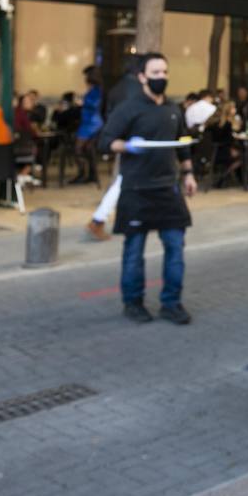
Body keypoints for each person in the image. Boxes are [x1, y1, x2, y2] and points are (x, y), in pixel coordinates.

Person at [97, 52, 197, 326]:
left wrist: (188, 173)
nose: (161, 78)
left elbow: (182, 144)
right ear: (142, 77)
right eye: (155, 74)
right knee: (134, 251)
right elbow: (105, 142)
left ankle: (171, 303)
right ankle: (133, 303)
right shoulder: (128, 109)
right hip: (136, 189)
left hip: (168, 189)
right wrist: (127, 146)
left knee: (176, 248)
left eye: (164, 72)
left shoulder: (173, 110)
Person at [88, 55, 147, 241]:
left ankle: (103, 218)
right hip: (135, 139)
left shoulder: (116, 89)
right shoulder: (138, 90)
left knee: (126, 180)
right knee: (124, 181)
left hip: (122, 139)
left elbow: (106, 113)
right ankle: (98, 219)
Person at [72, 66, 103, 185]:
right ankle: (91, 174)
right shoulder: (94, 89)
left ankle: (82, 173)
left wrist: (83, 102)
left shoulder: (96, 90)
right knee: (88, 149)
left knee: (78, 148)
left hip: (91, 124)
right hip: (89, 123)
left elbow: (95, 104)